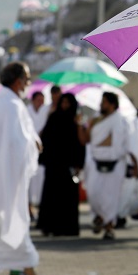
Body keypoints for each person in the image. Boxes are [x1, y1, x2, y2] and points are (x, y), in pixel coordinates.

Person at [0, 62, 56, 275]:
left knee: (15, 231)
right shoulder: (9, 105)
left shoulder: (2, 104)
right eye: (27, 79)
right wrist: (34, 144)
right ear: (18, 81)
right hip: (2, 182)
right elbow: (15, 144)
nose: (29, 84)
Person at [85, 91, 138, 240]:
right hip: (96, 161)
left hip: (116, 164)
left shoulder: (121, 121)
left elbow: (128, 145)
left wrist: (136, 165)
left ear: (112, 104)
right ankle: (99, 217)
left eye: (104, 102)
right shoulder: (96, 120)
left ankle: (109, 227)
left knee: (111, 197)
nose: (101, 105)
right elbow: (88, 140)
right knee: (93, 193)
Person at [37, 92, 87, 237]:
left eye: (68, 103)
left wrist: (78, 164)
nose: (65, 106)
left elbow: (80, 144)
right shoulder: (53, 118)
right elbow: (45, 138)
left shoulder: (75, 122)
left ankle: (67, 228)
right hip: (53, 164)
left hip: (68, 166)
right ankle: (49, 226)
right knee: (51, 196)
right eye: (63, 102)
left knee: (67, 198)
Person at [27, 90, 49, 221]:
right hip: (29, 150)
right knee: (28, 182)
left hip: (42, 150)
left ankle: (40, 207)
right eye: (38, 100)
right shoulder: (26, 111)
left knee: (41, 180)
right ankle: (29, 207)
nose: (40, 103)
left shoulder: (46, 112)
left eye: (42, 100)